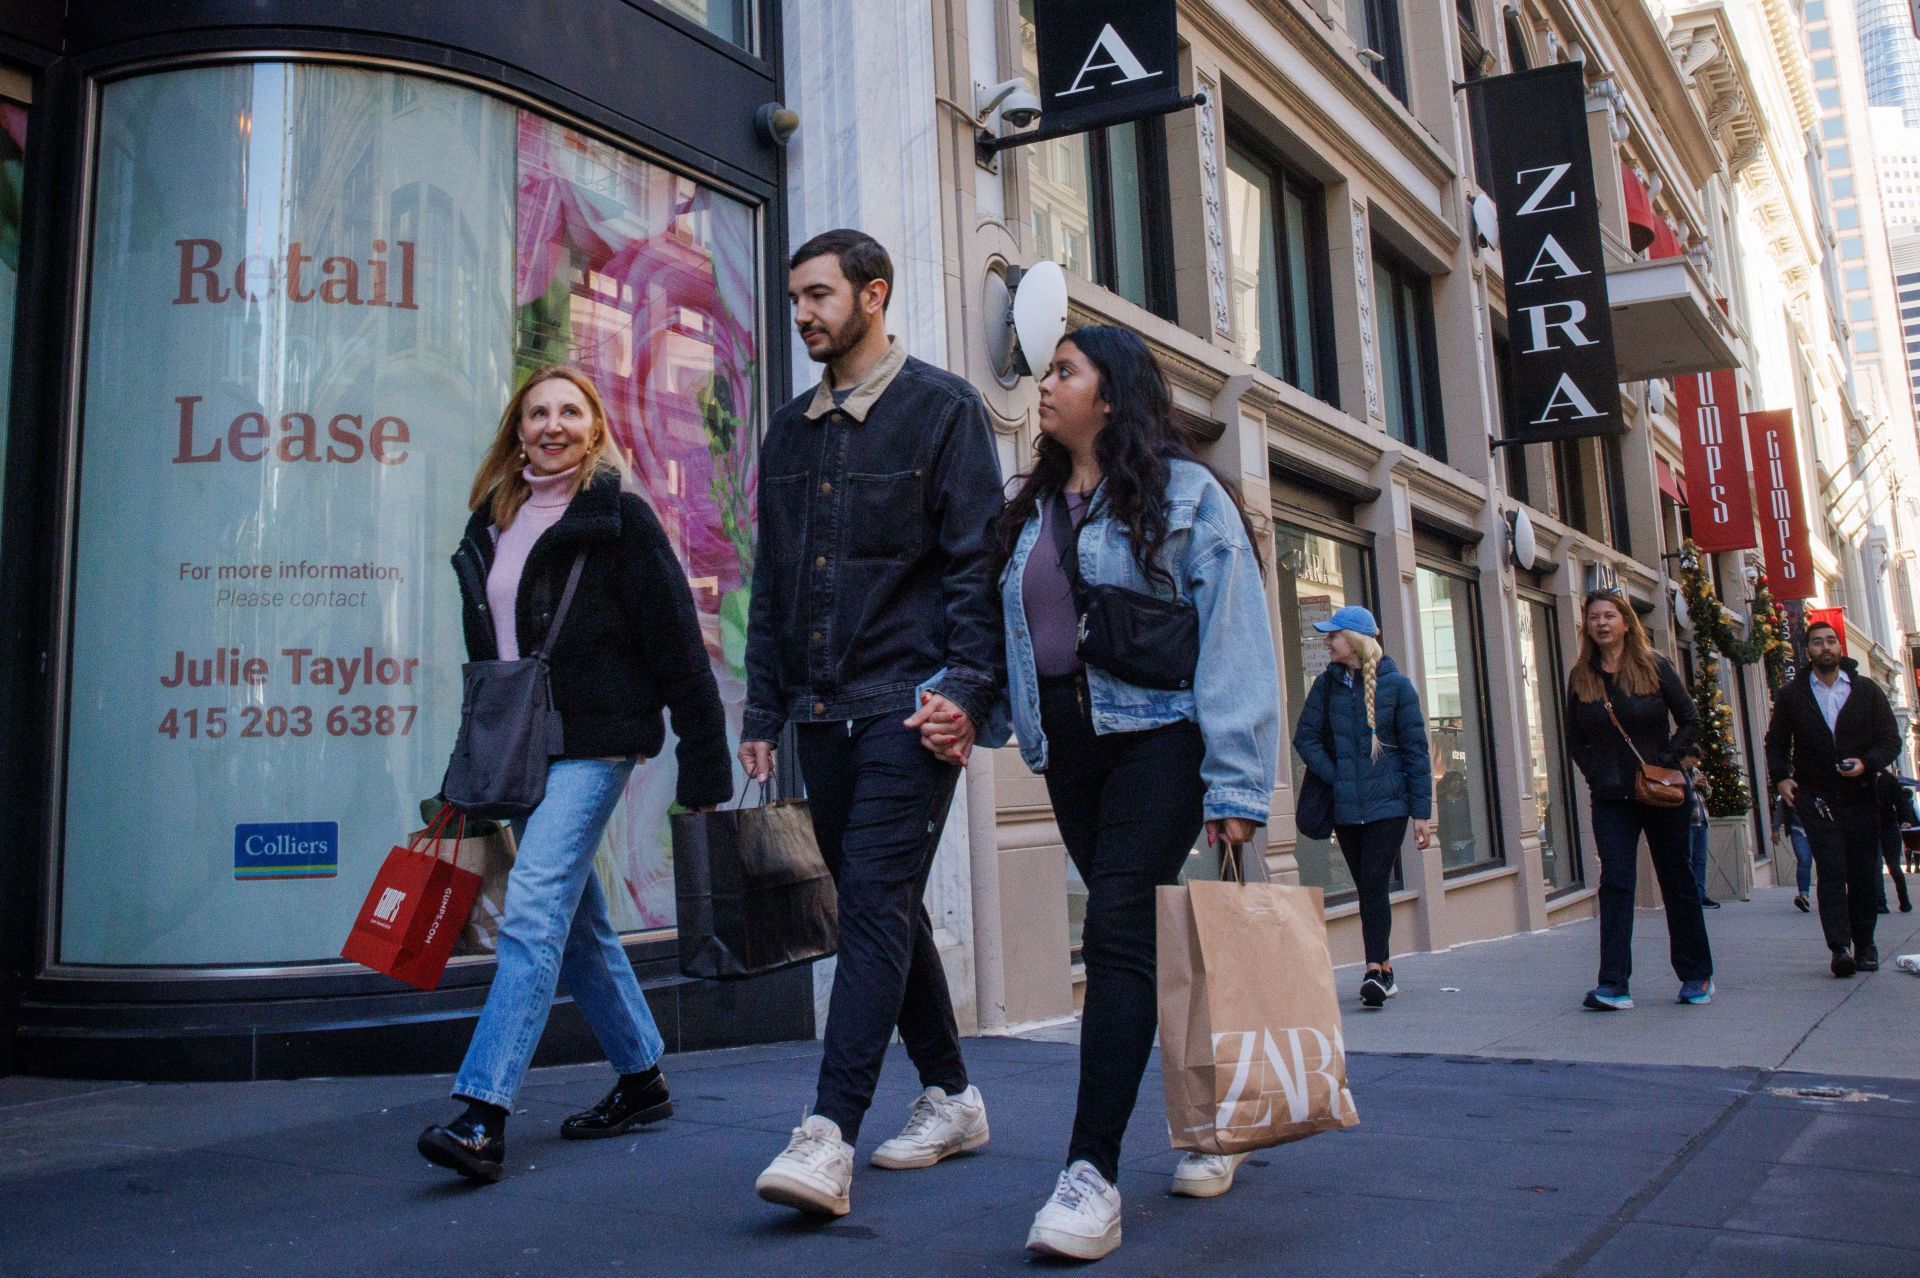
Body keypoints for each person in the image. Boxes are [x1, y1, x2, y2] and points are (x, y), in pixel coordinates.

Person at [991, 326, 1278, 1261]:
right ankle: (1209, 1120)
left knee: (1114, 932)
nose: (1046, 383)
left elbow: (1235, 636)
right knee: (1143, 940)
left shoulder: (1188, 497)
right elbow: (1017, 633)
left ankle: (1090, 1174)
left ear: (1110, 395)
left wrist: (1238, 781)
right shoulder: (1032, 507)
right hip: (1070, 751)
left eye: (1065, 370)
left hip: (1161, 739)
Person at [741, 230, 1005, 1218]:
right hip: (819, 709)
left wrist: (968, 694)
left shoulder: (943, 411)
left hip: (913, 702)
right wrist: (765, 704)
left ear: (874, 294)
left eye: (819, 296)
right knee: (880, 902)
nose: (803, 313)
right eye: (796, 297)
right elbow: (773, 578)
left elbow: (978, 564)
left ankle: (828, 1134)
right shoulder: (788, 431)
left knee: (872, 900)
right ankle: (951, 1094)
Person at [417, 366, 732, 1182]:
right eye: (537, 414)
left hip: (597, 739)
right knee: (577, 919)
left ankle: (484, 1113)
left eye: (569, 411)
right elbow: (494, 659)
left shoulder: (618, 517)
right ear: (516, 431)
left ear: (593, 426)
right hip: (521, 746)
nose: (552, 425)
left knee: (531, 906)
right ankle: (642, 1076)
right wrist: (474, 759)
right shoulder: (492, 520)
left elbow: (674, 639)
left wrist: (703, 755)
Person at [1564, 589, 1714, 1009]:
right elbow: (1574, 737)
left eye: (1609, 615)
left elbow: (1690, 721)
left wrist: (1664, 760)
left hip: (1661, 791)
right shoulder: (1582, 677)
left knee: (1676, 880)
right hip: (1611, 796)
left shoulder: (1654, 667)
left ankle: (1696, 974)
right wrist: (1595, 774)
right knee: (1615, 883)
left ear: (1626, 622)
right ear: (1587, 627)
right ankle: (1613, 983)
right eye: (1594, 617)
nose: (1602, 623)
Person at [1293, 606, 1432, 1008]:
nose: (1327, 641)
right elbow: (1306, 738)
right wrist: (1335, 775)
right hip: (1346, 807)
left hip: (1389, 805)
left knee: (1373, 880)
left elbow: (1415, 753)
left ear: (1352, 640)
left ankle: (1373, 969)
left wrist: (1421, 813)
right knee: (1368, 887)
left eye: (1333, 635)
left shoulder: (1398, 687)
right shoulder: (1325, 686)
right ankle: (1386, 969)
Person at [1765, 620, 1901, 976]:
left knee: (1862, 873)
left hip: (1860, 796)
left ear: (1840, 648)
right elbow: (1776, 743)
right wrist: (1781, 778)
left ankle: (1865, 943)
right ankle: (1839, 947)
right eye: (1817, 642)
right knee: (1831, 871)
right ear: (1807, 650)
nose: (1825, 648)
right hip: (1817, 797)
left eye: (1830, 641)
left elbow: (1890, 740)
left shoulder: (1866, 691)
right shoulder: (1793, 695)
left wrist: (1866, 763)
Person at [1874, 770, 1914, 914]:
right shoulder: (1861, 777)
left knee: (1894, 867)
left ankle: (1904, 901)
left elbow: (1901, 802)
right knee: (1876, 866)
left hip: (1889, 827)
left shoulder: (1889, 779)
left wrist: (1905, 820)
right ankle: (1880, 903)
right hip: (1870, 828)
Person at [1683, 758, 1721, 908]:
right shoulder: (1680, 771)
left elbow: (1708, 794)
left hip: (1701, 820)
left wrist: (1705, 786)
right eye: (1693, 759)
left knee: (1701, 859)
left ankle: (1700, 894)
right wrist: (1692, 783)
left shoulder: (1695, 771)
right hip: (1688, 821)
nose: (1695, 763)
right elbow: (1679, 792)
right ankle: (1690, 895)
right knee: (1689, 858)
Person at [1774, 794, 1815, 913]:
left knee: (1826, 864)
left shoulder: (1822, 782)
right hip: (1798, 828)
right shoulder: (1792, 786)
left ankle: (1831, 896)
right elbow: (1781, 808)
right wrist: (1775, 829)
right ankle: (1804, 897)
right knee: (1804, 860)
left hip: (1820, 829)